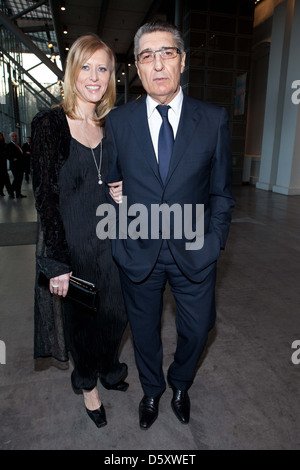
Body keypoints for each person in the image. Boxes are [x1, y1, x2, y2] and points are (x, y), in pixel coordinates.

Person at [105, 20, 235, 430]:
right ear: (138, 68)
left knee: (199, 330)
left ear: (182, 61)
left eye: (167, 53)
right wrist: (118, 223)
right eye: (147, 56)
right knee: (143, 334)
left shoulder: (212, 120)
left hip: (195, 249)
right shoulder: (119, 122)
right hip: (138, 250)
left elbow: (222, 192)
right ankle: (153, 390)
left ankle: (180, 382)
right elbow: (109, 182)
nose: (158, 64)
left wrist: (215, 241)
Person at [31, 34, 128, 429]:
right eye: (86, 66)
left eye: (102, 68)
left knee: (117, 315)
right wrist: (56, 263)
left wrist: (125, 193)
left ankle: (109, 367)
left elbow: (119, 179)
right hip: (74, 248)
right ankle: (88, 386)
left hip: (115, 242)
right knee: (82, 323)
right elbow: (45, 198)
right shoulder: (49, 123)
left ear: (111, 76)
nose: (94, 76)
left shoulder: (112, 124)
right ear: (73, 71)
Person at [6, 131, 26, 198]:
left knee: (20, 179)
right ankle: (11, 191)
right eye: (13, 136)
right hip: (15, 165)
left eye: (15, 136)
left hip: (20, 165)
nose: (15, 137)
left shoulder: (18, 145)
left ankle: (18, 193)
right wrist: (12, 159)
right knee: (17, 179)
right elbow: (7, 154)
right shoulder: (9, 145)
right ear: (10, 137)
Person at [0, 132, 14, 198]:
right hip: (2, 164)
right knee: (4, 178)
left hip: (3, 164)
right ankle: (10, 192)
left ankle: (9, 192)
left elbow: (6, 153)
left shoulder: (4, 145)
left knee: (4, 178)